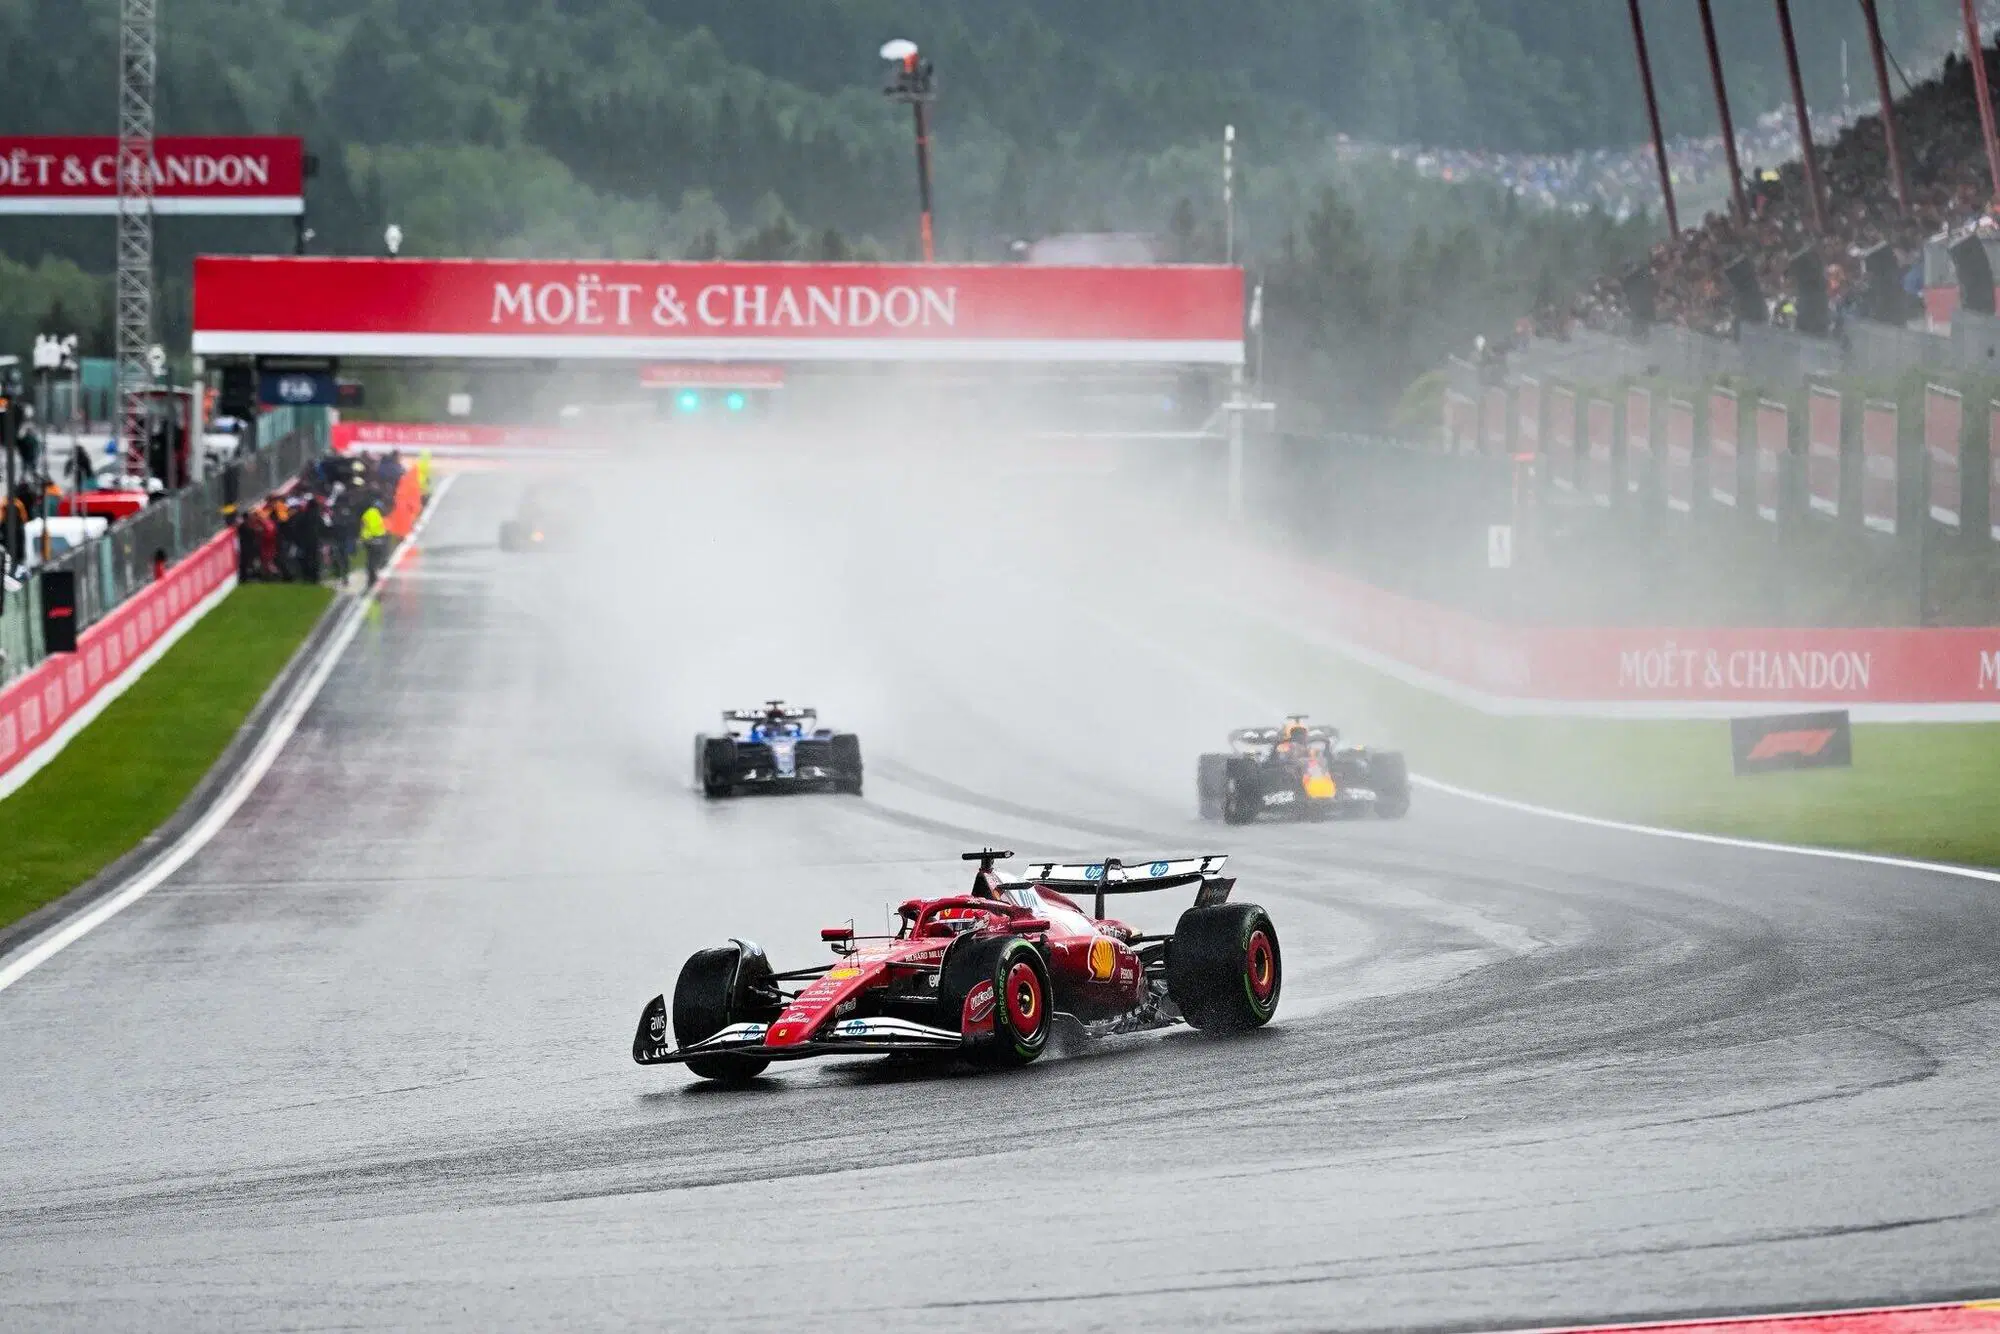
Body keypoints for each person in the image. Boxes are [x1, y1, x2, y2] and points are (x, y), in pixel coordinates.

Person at [358, 497, 388, 588]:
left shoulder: (367, 513)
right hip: (375, 539)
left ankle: (371, 577)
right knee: (375, 559)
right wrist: (381, 536)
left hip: (367, 539)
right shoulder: (375, 514)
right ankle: (372, 577)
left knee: (370, 558)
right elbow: (375, 527)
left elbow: (363, 525)